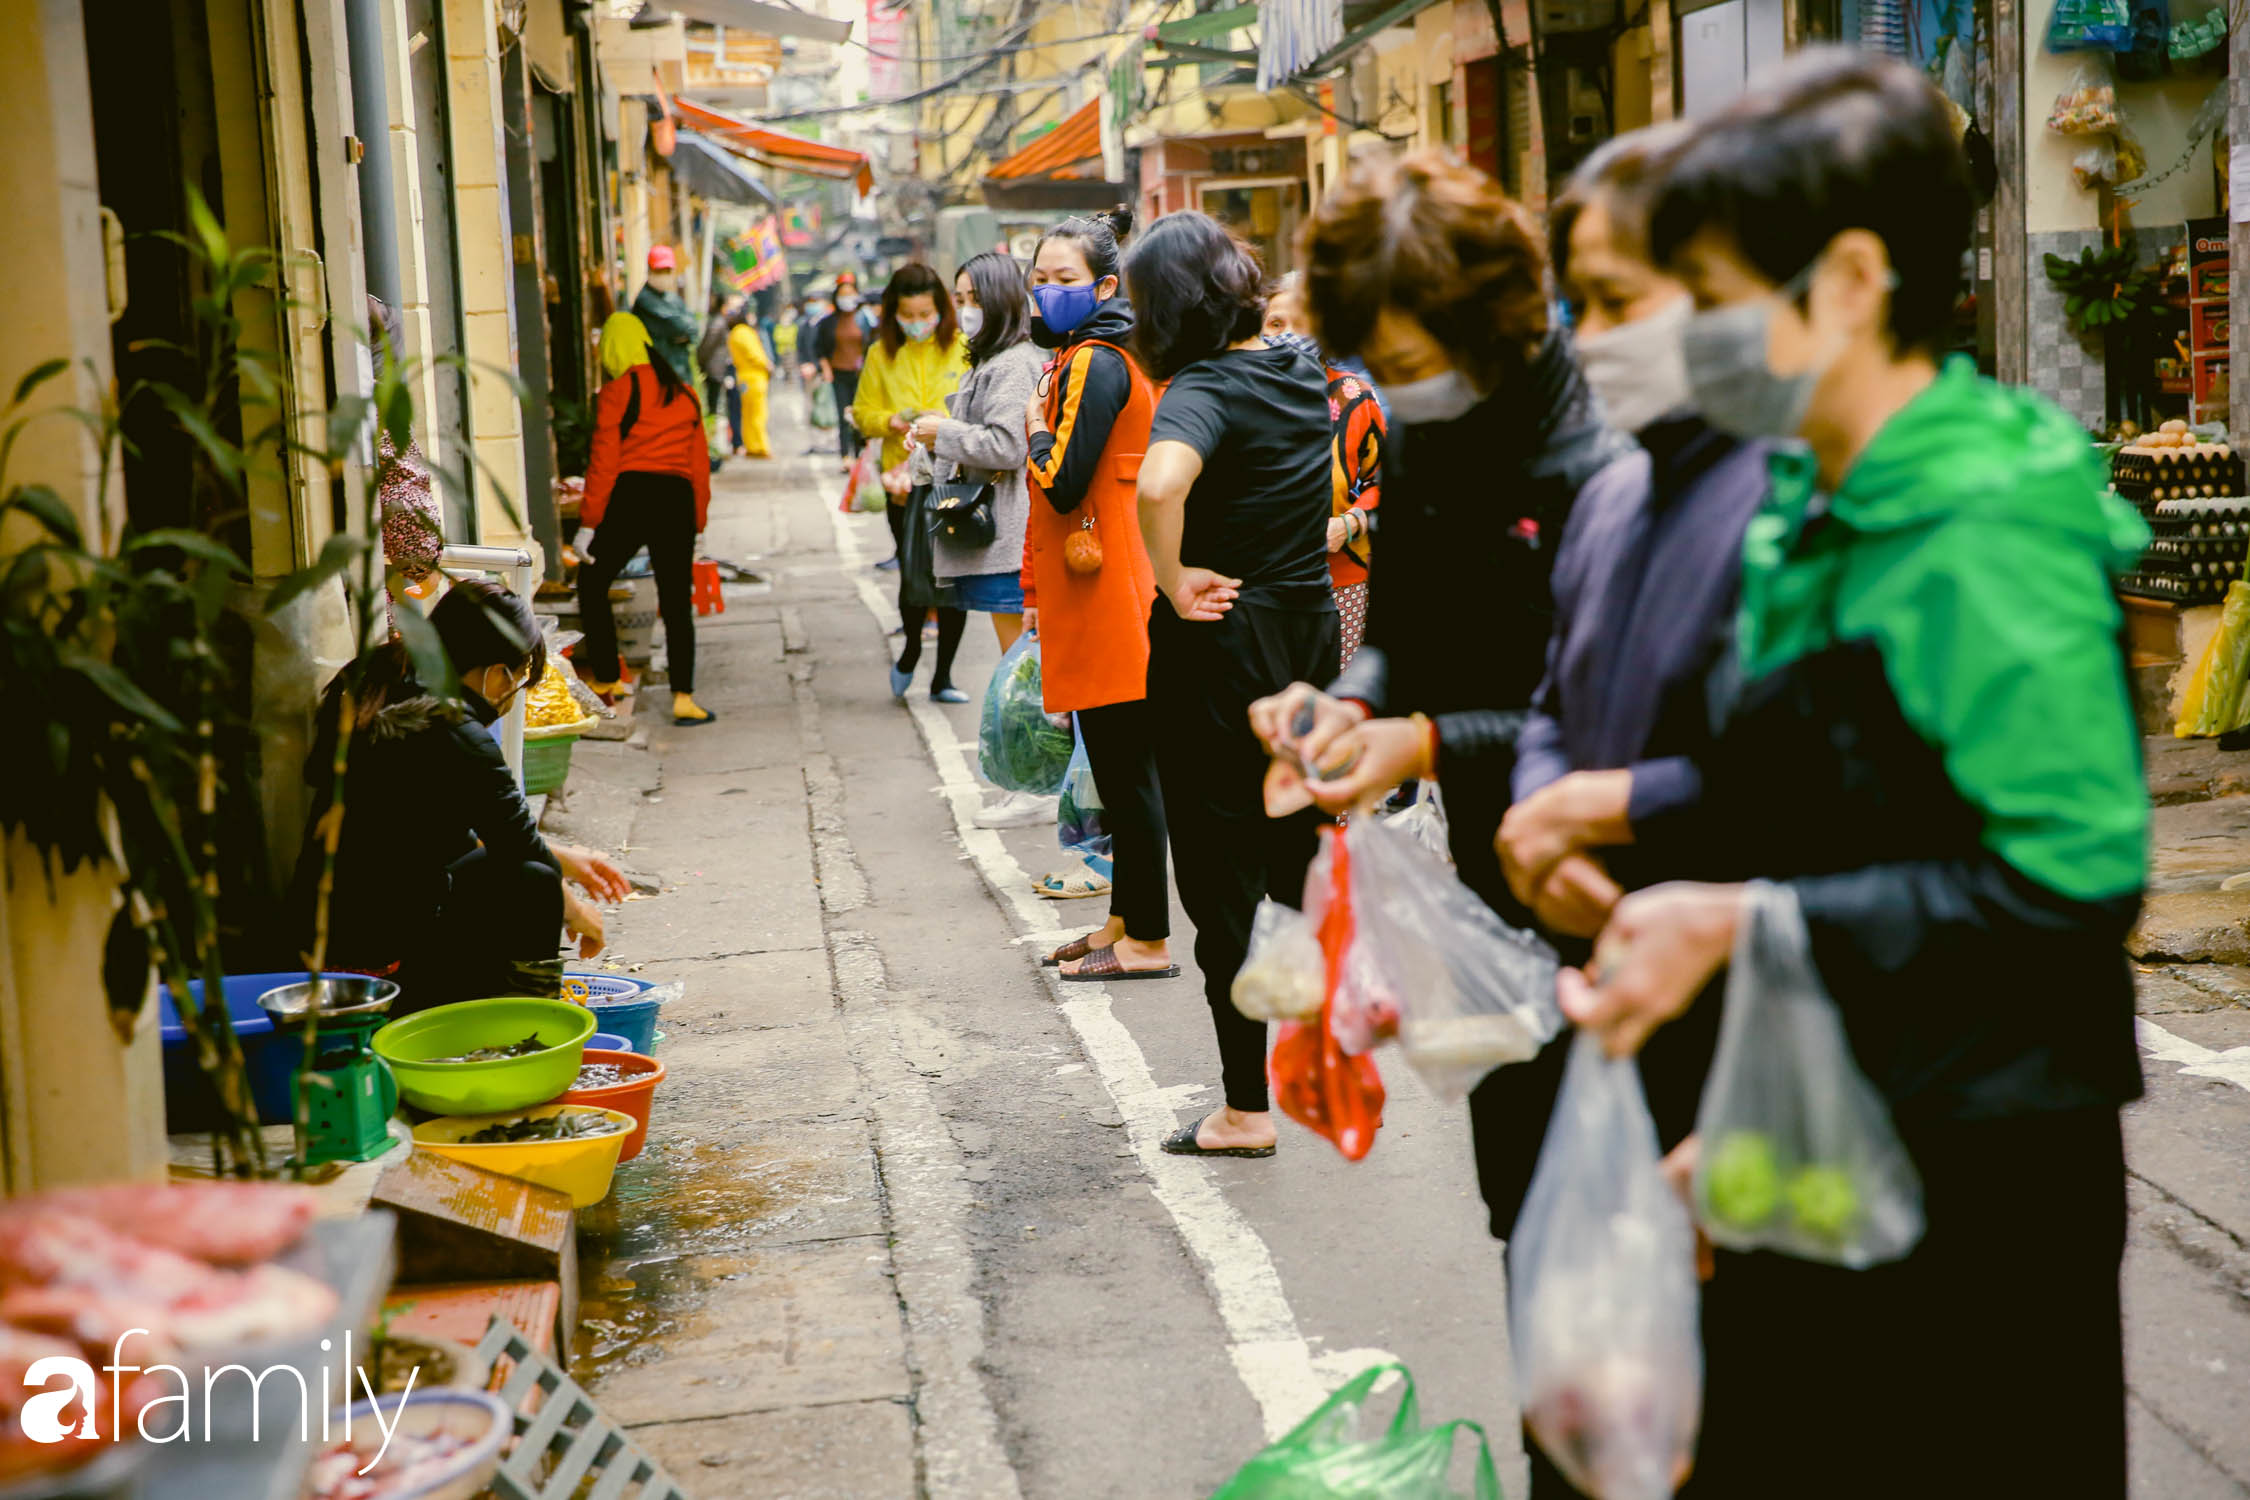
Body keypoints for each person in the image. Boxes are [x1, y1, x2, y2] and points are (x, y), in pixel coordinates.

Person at [1553, 52, 2148, 1498]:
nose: (1689, 335)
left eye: (1711, 287)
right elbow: (1820, 820)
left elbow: (2067, 883)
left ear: (1849, 280)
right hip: (1826, 1141)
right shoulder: (1807, 495)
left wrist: (1740, 925)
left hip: (1977, 1194)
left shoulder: (1979, 517)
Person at [1251, 150, 1629, 917]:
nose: (1396, 386)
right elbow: (1402, 636)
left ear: (1487, 322)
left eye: (1409, 360)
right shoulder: (1420, 434)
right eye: (1377, 364)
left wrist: (1426, 744)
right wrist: (1348, 707)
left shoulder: (1603, 459)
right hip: (1488, 837)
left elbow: (1611, 718)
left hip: (1617, 863)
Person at [1128, 212, 1341, 1157]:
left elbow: (1158, 485)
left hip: (1219, 642)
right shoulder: (1298, 365)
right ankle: (1316, 1062)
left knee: (1221, 874)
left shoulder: (1202, 387)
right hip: (1307, 628)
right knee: (1297, 846)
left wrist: (1173, 581)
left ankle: (1245, 1110)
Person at [292, 579, 630, 1015]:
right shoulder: (453, 730)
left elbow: (463, 832)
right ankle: (529, 1030)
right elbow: (519, 849)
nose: (514, 690)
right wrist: (575, 909)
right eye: (519, 674)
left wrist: (567, 857)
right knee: (536, 883)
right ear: (496, 672)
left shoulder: (381, 679)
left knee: (537, 871)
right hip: (380, 965)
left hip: (329, 936)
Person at [1014, 211, 1177, 969]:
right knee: (1120, 769)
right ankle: (1123, 922)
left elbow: (1061, 481)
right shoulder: (1123, 350)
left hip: (1108, 585)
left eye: (1065, 280)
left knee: (1127, 771)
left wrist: (1034, 434)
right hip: (1120, 576)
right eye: (1040, 280)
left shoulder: (1092, 360)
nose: (1048, 293)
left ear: (1106, 285)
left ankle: (1145, 936)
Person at [575, 308, 716, 727]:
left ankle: (606, 680)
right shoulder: (684, 392)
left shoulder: (616, 393)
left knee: (592, 581)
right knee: (676, 603)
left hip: (632, 496)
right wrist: (699, 521)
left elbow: (603, 463)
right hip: (678, 500)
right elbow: (699, 465)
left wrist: (588, 523)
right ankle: (684, 699)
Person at [910, 252, 1040, 660]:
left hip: (1011, 538)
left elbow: (1008, 446)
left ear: (1002, 300)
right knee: (1017, 662)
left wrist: (944, 431)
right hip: (999, 537)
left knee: (1020, 668)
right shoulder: (990, 361)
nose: (967, 310)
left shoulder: (1015, 363)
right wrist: (935, 438)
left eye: (976, 299)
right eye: (961, 299)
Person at [855, 263, 971, 701]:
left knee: (955, 576)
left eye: (926, 313)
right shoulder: (880, 355)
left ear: (940, 309)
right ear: (894, 314)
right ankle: (910, 649)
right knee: (913, 574)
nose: (919, 323)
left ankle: (944, 677)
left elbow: (976, 410)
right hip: (901, 481)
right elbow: (862, 413)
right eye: (909, 315)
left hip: (955, 478)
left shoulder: (962, 348)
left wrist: (947, 421)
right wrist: (891, 420)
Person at [1264, 271, 1386, 669]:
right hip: (1261, 583)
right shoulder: (1242, 394)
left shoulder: (1355, 398)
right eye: (1276, 324)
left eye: (1301, 324)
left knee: (1337, 697)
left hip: (1344, 578)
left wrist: (1347, 524)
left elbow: (1382, 482)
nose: (1288, 335)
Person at [814, 272, 880, 473]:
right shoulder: (828, 322)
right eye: (843, 293)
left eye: (850, 293)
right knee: (844, 416)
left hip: (862, 375)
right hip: (839, 374)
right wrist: (826, 369)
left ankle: (861, 454)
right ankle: (845, 456)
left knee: (860, 415)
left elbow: (874, 344)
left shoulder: (865, 319)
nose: (847, 297)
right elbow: (819, 348)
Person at [633, 245, 699, 389]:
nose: (664, 275)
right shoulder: (645, 301)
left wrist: (683, 333)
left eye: (667, 271)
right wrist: (681, 334)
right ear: (650, 270)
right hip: (659, 381)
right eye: (659, 271)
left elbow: (693, 329)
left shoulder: (672, 298)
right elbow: (678, 326)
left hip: (681, 378)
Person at [728, 304, 774, 459]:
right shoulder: (744, 332)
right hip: (754, 377)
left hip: (743, 377)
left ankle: (751, 445)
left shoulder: (734, 333)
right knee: (758, 414)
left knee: (747, 414)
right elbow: (754, 355)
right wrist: (767, 365)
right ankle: (761, 447)